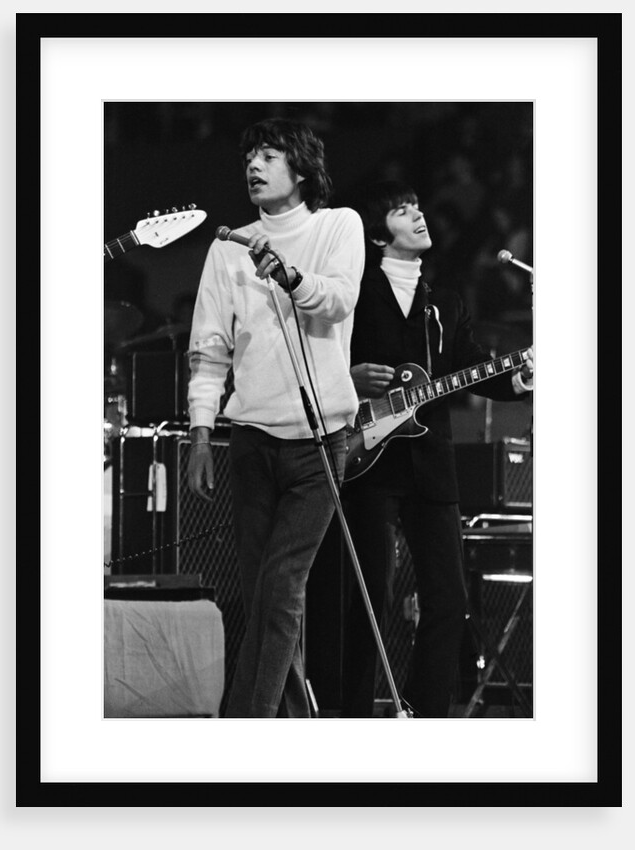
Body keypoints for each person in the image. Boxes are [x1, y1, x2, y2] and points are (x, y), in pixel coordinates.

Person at [186, 118, 365, 718]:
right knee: (263, 595)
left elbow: (339, 297)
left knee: (282, 590)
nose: (253, 167)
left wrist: (288, 274)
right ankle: (295, 732)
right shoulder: (226, 246)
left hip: (321, 443)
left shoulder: (338, 225)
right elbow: (209, 348)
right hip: (252, 441)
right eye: (249, 157)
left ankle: (245, 730)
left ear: (302, 168)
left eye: (268, 155)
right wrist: (201, 431)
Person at [340, 179, 533, 718]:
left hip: (432, 464)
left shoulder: (444, 302)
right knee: (369, 599)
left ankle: (427, 719)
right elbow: (322, 358)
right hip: (369, 460)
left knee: (447, 600)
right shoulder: (354, 290)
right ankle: (352, 719)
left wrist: (519, 378)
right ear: (380, 236)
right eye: (403, 210)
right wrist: (349, 377)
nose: (419, 215)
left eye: (418, 207)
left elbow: (472, 366)